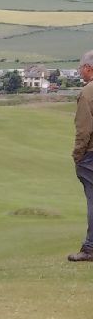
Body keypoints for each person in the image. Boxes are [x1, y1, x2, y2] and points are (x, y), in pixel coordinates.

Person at [70, 51, 93, 262]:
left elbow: (83, 130)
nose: (80, 72)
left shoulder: (87, 92)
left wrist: (77, 155)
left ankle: (90, 248)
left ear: (88, 68)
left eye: (81, 68)